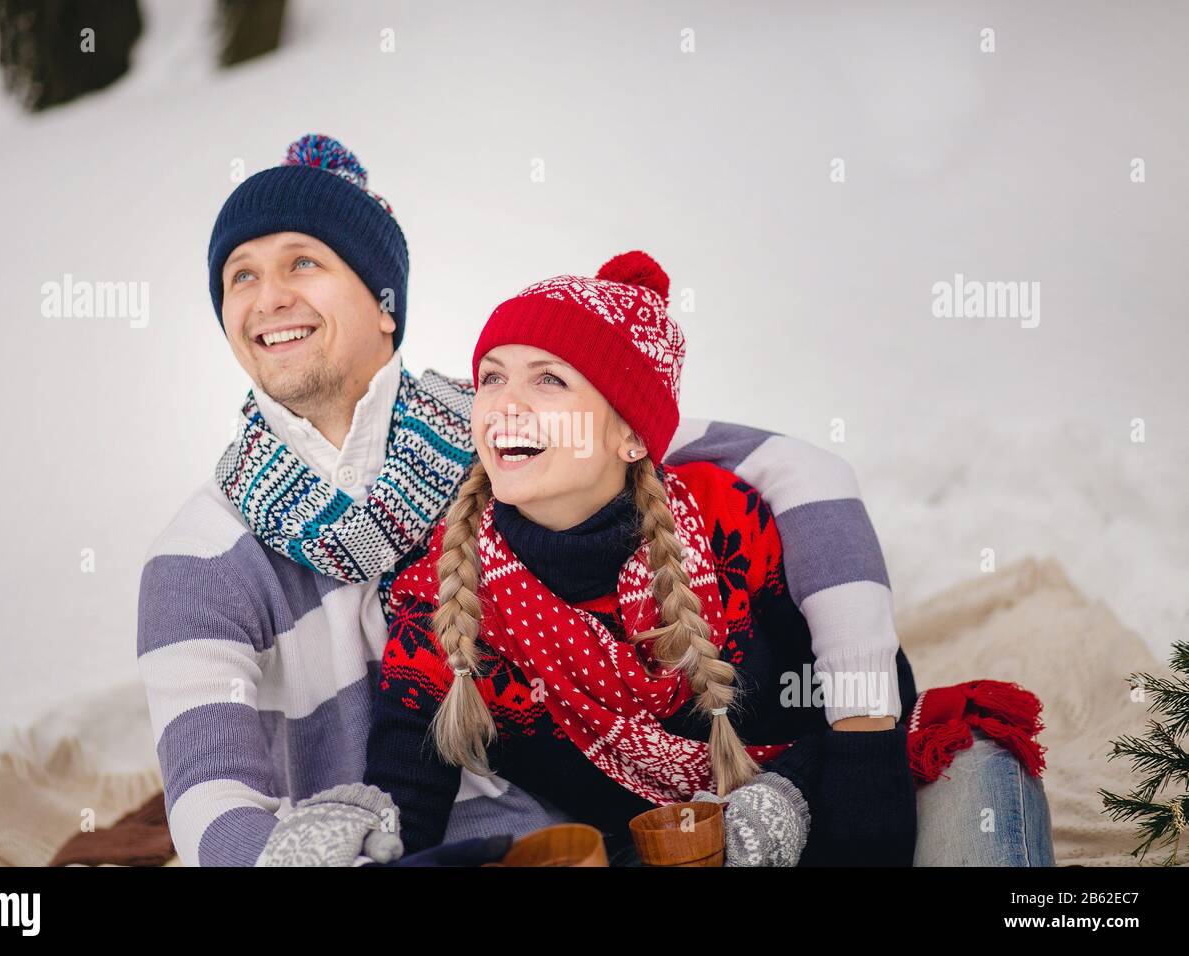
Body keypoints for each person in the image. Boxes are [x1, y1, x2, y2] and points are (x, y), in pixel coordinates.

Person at [138, 134, 936, 867]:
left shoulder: (500, 433)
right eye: (240, 274)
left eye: (301, 262)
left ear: (385, 303)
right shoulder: (198, 558)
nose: (267, 295)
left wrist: (857, 734)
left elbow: (791, 467)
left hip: (614, 814)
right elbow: (212, 802)